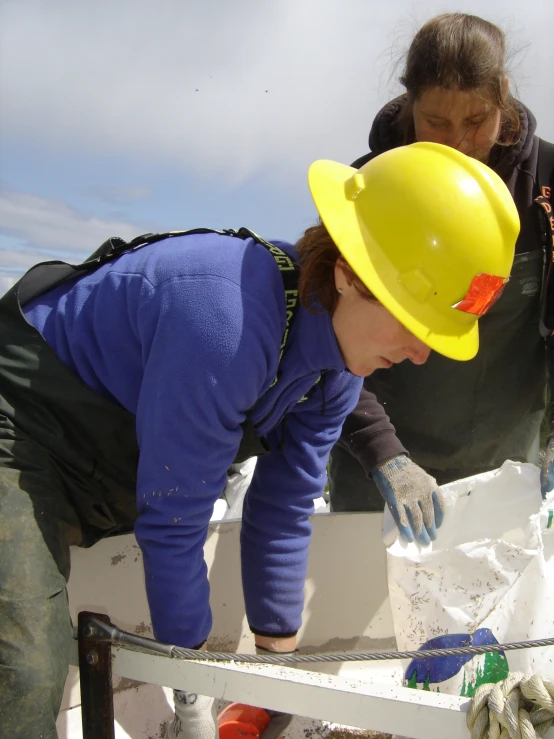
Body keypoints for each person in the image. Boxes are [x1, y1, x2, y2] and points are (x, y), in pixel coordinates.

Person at [0, 142, 518, 739]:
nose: (423, 353)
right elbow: (174, 519)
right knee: (24, 665)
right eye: (413, 321)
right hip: (21, 428)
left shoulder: (338, 373)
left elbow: (284, 509)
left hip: (106, 467)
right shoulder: (226, 319)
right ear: (349, 277)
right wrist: (194, 699)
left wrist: (277, 673)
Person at [328, 12, 554, 546]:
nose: (458, 143)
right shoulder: (367, 191)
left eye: (476, 121)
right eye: (436, 122)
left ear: (502, 96)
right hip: (376, 461)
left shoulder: (546, 189)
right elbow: (327, 338)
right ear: (410, 107)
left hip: (504, 470)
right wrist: (386, 456)